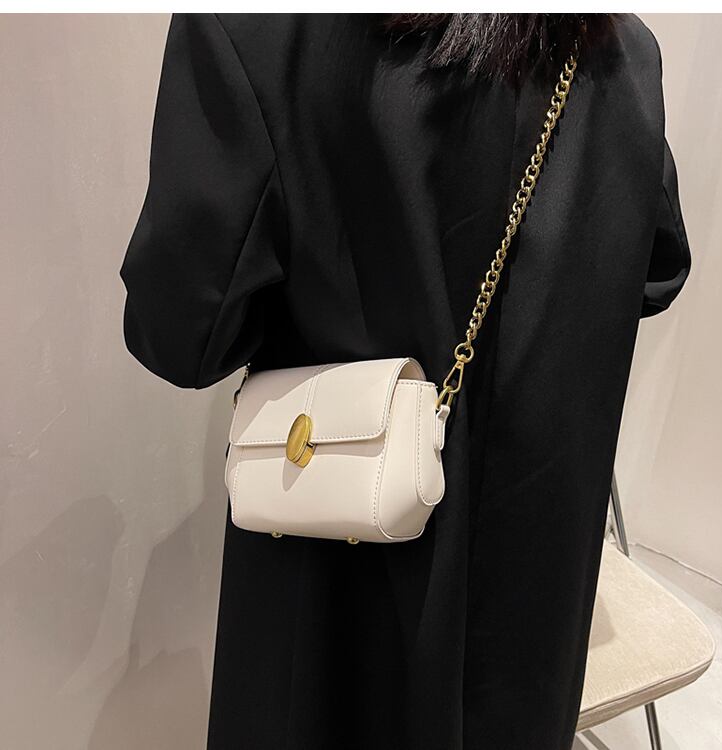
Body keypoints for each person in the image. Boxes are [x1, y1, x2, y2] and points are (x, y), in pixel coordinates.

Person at [120, 13, 690, 750]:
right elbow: (657, 269)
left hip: (332, 607)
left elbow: (181, 338)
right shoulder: (623, 53)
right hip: (529, 618)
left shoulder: (259, 27)